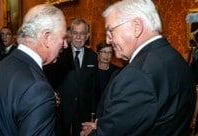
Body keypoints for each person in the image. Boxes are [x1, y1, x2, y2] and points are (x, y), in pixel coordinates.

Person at [80, 0, 196, 136]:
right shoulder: (175, 58)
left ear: (136, 27)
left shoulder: (137, 74)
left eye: (110, 31)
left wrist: (93, 131)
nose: (108, 40)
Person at [0, 4, 68, 136]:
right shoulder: (38, 88)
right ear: (46, 37)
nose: (65, 44)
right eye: (63, 37)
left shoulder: (0, 66)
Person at [44, 18, 98, 136]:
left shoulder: (93, 57)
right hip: (63, 109)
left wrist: (93, 113)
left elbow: (93, 86)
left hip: (84, 110)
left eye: (82, 33)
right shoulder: (60, 54)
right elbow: (50, 80)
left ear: (87, 35)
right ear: (70, 34)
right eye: (75, 33)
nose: (78, 37)